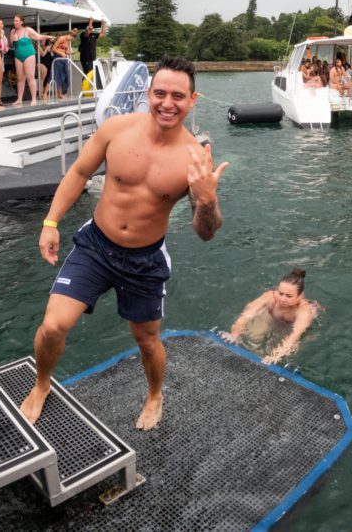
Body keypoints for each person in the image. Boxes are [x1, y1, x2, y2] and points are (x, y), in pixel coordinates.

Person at [20, 56, 229, 430]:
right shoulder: (115, 129)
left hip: (145, 260)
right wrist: (50, 222)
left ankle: (154, 394)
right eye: (160, 93)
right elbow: (80, 172)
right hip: (96, 246)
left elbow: (206, 232)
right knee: (52, 327)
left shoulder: (195, 159)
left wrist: (208, 199)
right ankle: (41, 384)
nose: (168, 103)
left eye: (178, 96)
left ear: (193, 100)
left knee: (147, 341)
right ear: (148, 93)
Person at [223, 268, 320, 365]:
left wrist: (275, 356)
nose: (282, 299)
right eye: (280, 293)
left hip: (289, 327)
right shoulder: (270, 297)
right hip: (271, 318)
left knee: (291, 349)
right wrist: (234, 334)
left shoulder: (304, 311)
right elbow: (247, 315)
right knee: (252, 337)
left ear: (300, 296)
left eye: (289, 296)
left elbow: (294, 336)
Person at [9, 14, 54, 106]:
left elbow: (38, 37)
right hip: (18, 55)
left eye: (17, 20)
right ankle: (19, 99)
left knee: (30, 77)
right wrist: (12, 39)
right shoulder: (13, 31)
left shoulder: (27, 30)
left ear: (21, 22)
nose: (15, 22)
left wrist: (47, 37)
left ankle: (34, 99)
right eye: (14, 20)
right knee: (20, 79)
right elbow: (11, 45)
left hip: (29, 55)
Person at [50, 31, 75, 99]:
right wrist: (60, 53)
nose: (72, 40)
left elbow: (65, 51)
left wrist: (70, 53)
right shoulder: (61, 39)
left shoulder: (68, 41)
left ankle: (62, 93)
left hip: (64, 59)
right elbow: (53, 49)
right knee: (58, 76)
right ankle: (58, 94)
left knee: (65, 76)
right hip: (57, 58)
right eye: (72, 38)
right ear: (69, 35)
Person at [38, 36, 54, 103]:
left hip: (47, 64)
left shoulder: (46, 46)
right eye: (42, 41)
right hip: (42, 64)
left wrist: (49, 49)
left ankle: (43, 92)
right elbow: (42, 55)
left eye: (44, 41)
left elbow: (50, 55)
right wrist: (47, 49)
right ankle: (40, 93)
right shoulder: (38, 47)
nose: (43, 42)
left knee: (45, 79)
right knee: (42, 79)